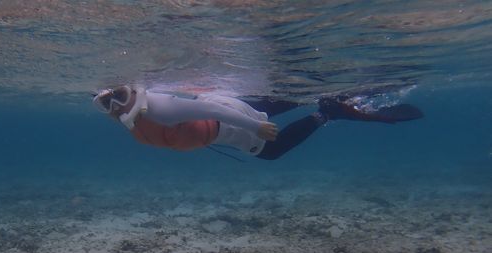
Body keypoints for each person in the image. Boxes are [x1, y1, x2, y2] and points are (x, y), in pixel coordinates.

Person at [92, 85, 423, 160]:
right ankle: (322, 95)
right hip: (228, 110)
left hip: (231, 123)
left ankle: (327, 111)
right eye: (106, 102)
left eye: (118, 96)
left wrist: (254, 127)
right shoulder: (131, 122)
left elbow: (209, 108)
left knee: (270, 150)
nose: (115, 106)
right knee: (286, 96)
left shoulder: (158, 110)